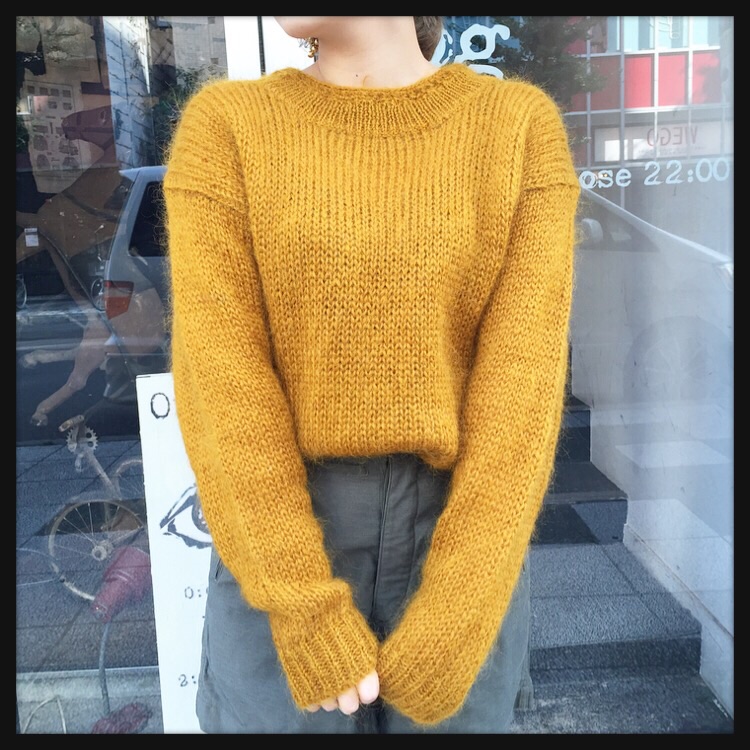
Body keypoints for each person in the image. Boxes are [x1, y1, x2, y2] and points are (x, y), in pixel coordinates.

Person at [163, 15, 580, 734]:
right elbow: (222, 381)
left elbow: (524, 390)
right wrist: (300, 601)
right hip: (279, 540)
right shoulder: (227, 128)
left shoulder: (517, 130)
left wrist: (460, 609)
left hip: (462, 538)